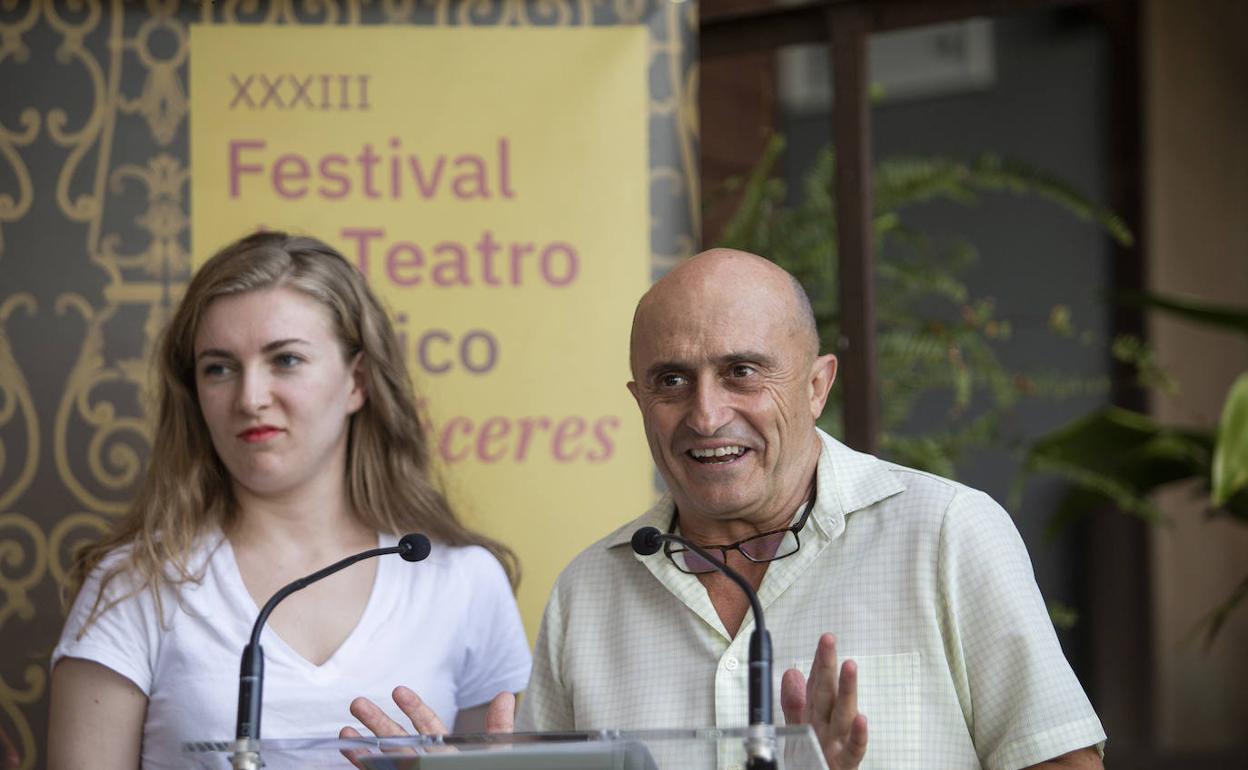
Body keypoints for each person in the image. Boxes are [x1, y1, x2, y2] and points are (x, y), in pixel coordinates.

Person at [353, 248, 1107, 770]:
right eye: (671, 381)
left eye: (742, 372)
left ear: (816, 386)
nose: (707, 415)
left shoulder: (946, 533)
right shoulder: (590, 591)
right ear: (639, 401)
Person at [47, 231, 531, 770]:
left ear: (358, 382)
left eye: (286, 360)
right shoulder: (135, 584)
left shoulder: (463, 580)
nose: (250, 397)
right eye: (219, 368)